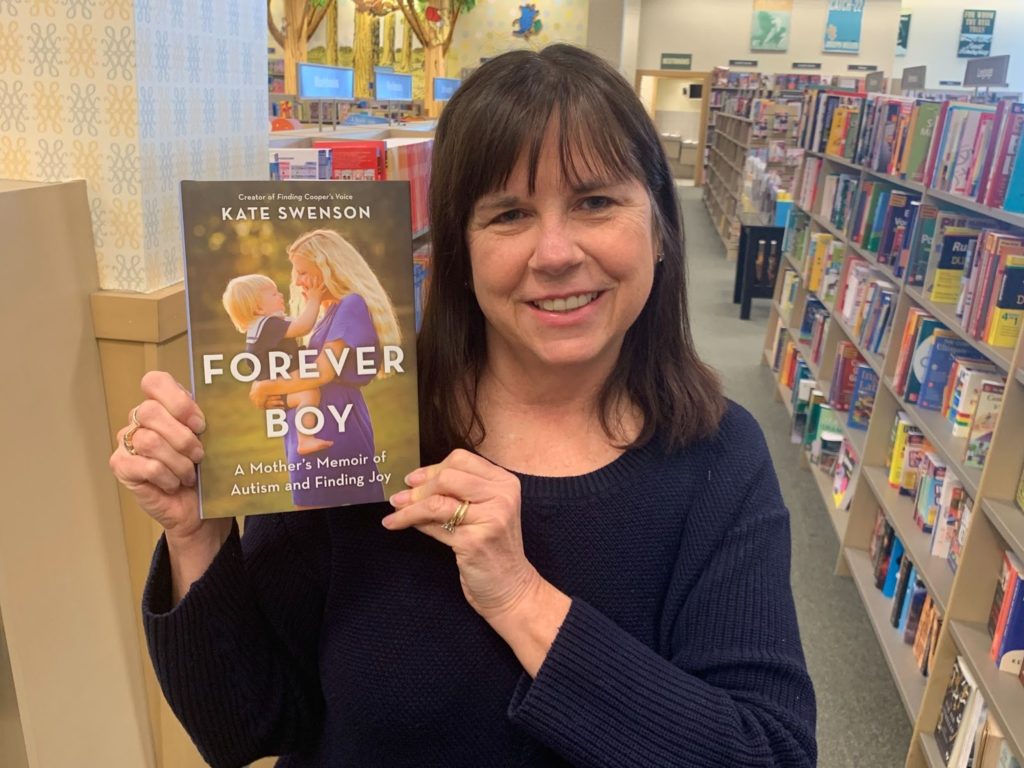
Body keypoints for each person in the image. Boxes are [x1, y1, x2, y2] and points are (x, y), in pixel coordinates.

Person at [109, 44, 817, 767]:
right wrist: (195, 537)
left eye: (596, 201)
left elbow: (768, 753)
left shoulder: (719, 461)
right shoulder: (374, 429)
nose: (555, 252)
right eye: (508, 214)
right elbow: (248, 727)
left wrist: (521, 599)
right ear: (458, 253)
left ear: (661, 225)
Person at [250, 227, 402, 507]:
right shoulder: (328, 311)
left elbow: (324, 371)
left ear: (329, 269)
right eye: (296, 273)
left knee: (325, 518)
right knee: (313, 522)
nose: (297, 282)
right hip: (315, 421)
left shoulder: (351, 305)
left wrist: (267, 388)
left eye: (304, 272)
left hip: (333, 424)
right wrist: (278, 396)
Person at [221, 273, 332, 457]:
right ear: (257, 308)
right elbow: (302, 327)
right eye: (273, 294)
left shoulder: (266, 325)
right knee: (310, 393)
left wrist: (309, 304)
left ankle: (305, 439)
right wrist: (315, 299)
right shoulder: (267, 325)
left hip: (280, 383)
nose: (280, 295)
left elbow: (301, 323)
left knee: (309, 392)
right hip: (280, 385)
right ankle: (305, 439)